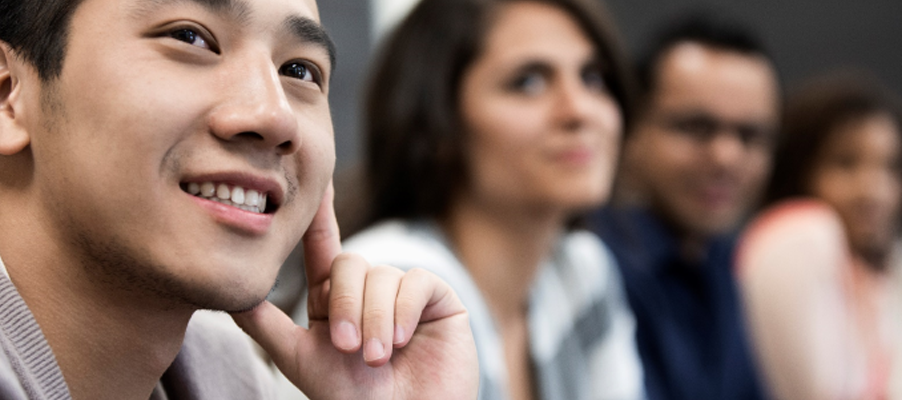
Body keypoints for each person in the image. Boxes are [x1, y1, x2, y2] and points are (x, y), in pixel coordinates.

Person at [0, 0, 478, 398]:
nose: (275, 116)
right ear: (7, 96)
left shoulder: (227, 375)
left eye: (300, 71)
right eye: (190, 37)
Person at [290, 0, 645, 399]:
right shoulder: (394, 286)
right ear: (437, 123)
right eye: (528, 82)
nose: (580, 110)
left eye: (593, 78)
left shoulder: (581, 271)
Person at [587, 12, 779, 400]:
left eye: (750, 135)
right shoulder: (592, 266)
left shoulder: (727, 261)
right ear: (632, 130)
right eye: (696, 128)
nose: (727, 157)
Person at [737, 72, 902, 400]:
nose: (873, 191)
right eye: (846, 164)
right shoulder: (800, 235)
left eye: (891, 167)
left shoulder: (887, 269)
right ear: (800, 166)